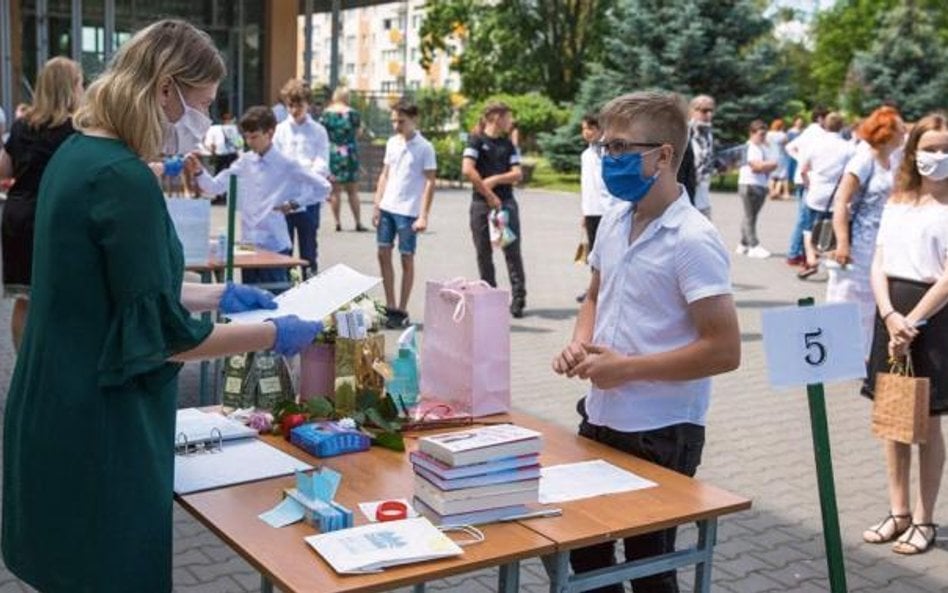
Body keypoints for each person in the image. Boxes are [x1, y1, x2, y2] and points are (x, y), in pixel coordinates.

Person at [1, 20, 322, 593]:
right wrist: (273, 332)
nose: (202, 124)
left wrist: (218, 294)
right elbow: (167, 340)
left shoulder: (77, 154)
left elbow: (114, 291)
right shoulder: (124, 179)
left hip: (54, 405)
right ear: (165, 88)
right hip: (101, 423)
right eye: (201, 104)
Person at [552, 90, 740, 593]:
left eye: (620, 148)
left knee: (649, 569)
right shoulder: (615, 218)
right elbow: (594, 295)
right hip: (602, 415)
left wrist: (627, 369)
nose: (608, 158)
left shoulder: (693, 239)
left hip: (662, 431)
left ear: (663, 156)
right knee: (588, 556)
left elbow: (725, 350)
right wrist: (579, 343)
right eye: (605, 147)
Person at [860, 112, 948, 556]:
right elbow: (878, 261)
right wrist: (890, 314)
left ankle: (925, 517)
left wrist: (912, 320)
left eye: (945, 149)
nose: (938, 157)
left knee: (928, 423)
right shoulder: (898, 200)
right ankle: (898, 512)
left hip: (932, 321)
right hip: (891, 313)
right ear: (912, 152)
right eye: (930, 148)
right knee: (893, 416)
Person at [189, 106, 331, 285]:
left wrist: (295, 203)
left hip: (274, 245)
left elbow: (323, 187)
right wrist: (198, 171)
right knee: (250, 305)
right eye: (246, 137)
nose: (250, 142)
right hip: (249, 245)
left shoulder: (286, 163)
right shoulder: (245, 161)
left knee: (275, 301)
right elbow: (214, 187)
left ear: (270, 133)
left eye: (254, 136)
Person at [0, 57, 82, 351]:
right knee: (59, 296)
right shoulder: (77, 129)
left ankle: (24, 370)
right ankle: (52, 371)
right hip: (55, 217)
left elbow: (4, 170)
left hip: (18, 217)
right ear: (72, 87)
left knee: (25, 299)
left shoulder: (23, 125)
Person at [826, 106, 905, 356]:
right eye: (900, 128)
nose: (904, 132)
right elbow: (842, 201)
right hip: (859, 241)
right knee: (849, 297)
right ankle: (840, 354)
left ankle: (862, 354)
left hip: (881, 241)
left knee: (871, 300)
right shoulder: (863, 159)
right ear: (887, 132)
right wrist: (842, 243)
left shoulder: (892, 159)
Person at [372, 100, 437, 328]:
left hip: (409, 211)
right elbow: (385, 174)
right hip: (388, 207)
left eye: (401, 121)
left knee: (406, 257)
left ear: (414, 120)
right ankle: (389, 304)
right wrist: (377, 204)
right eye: (393, 121)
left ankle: (402, 307)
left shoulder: (425, 147)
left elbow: (430, 182)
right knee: (382, 253)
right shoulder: (392, 143)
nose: (396, 125)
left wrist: (423, 215)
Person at [462, 101, 527, 318]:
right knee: (483, 252)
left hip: (506, 204)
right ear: (496, 117)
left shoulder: (508, 145)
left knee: (512, 251)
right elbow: (468, 170)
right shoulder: (476, 141)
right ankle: (489, 296)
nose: (511, 122)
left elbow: (517, 173)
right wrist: (488, 194)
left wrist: (496, 180)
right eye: (508, 117)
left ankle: (518, 299)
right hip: (482, 205)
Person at [273, 79, 331, 276]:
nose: (294, 109)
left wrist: (309, 175)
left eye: (299, 105)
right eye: (290, 105)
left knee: (308, 249)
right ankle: (287, 290)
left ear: (308, 104)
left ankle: (310, 289)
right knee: (284, 248)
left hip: (309, 196)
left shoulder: (318, 131)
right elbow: (275, 159)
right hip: (285, 196)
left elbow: (322, 160)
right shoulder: (280, 130)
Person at [796, 112, 855, 278]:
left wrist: (808, 184)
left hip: (816, 190)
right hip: (837, 193)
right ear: (842, 126)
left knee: (808, 227)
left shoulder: (815, 145)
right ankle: (831, 260)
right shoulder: (849, 147)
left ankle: (811, 257)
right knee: (835, 229)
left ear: (825, 125)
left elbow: (803, 169)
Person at [577, 112, 617, 303]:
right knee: (594, 253)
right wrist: (584, 212)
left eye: (590, 128)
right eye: (583, 129)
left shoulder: (607, 151)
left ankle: (607, 290)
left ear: (600, 129)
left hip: (607, 210)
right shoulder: (586, 154)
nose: (586, 132)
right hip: (591, 210)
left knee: (609, 252)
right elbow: (586, 186)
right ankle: (595, 289)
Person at [785, 107, 829, 266]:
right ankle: (796, 252)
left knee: (803, 218)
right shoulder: (820, 134)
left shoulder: (808, 132)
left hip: (802, 177)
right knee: (805, 220)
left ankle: (798, 252)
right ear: (820, 119)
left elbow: (789, 147)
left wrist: (799, 159)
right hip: (809, 179)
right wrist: (805, 163)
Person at [321, 87, 366, 231]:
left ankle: (337, 222)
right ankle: (358, 222)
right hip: (349, 152)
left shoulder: (326, 114)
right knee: (352, 190)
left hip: (333, 152)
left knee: (335, 191)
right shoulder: (353, 114)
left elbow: (321, 133)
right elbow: (359, 132)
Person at [736, 120, 778, 258]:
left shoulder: (760, 147)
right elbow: (756, 167)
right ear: (752, 133)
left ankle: (743, 244)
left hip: (759, 184)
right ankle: (754, 246)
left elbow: (769, 164)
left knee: (751, 216)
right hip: (749, 184)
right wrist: (770, 164)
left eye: (765, 134)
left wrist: (768, 164)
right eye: (761, 134)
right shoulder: (750, 147)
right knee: (750, 216)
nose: (763, 137)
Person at [688, 95, 716, 218]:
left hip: (703, 195)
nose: (709, 115)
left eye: (711, 111)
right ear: (692, 111)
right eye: (704, 111)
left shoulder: (707, 133)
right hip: (687, 196)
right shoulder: (685, 132)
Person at [766, 118, 791, 200]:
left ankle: (772, 191)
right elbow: (786, 146)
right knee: (782, 176)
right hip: (781, 156)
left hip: (770, 156)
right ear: (781, 126)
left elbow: (766, 144)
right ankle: (780, 192)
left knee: (772, 176)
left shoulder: (768, 134)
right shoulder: (783, 135)